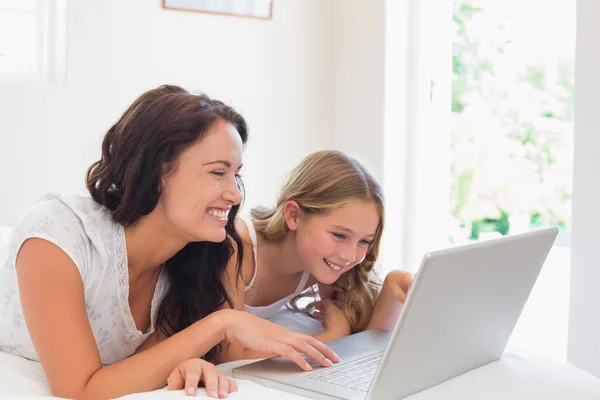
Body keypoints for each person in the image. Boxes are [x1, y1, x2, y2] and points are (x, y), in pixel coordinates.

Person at [0, 85, 337, 400]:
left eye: (236, 175)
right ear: (158, 170)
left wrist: (187, 363)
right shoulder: (58, 235)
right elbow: (80, 389)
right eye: (218, 172)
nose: (235, 194)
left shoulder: (192, 261)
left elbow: (140, 364)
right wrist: (222, 324)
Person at [196, 150, 415, 366]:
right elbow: (228, 355)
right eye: (339, 235)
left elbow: (369, 351)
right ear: (293, 216)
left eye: (364, 241)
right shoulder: (237, 246)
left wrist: (390, 291)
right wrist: (334, 336)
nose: (350, 256)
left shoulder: (320, 261)